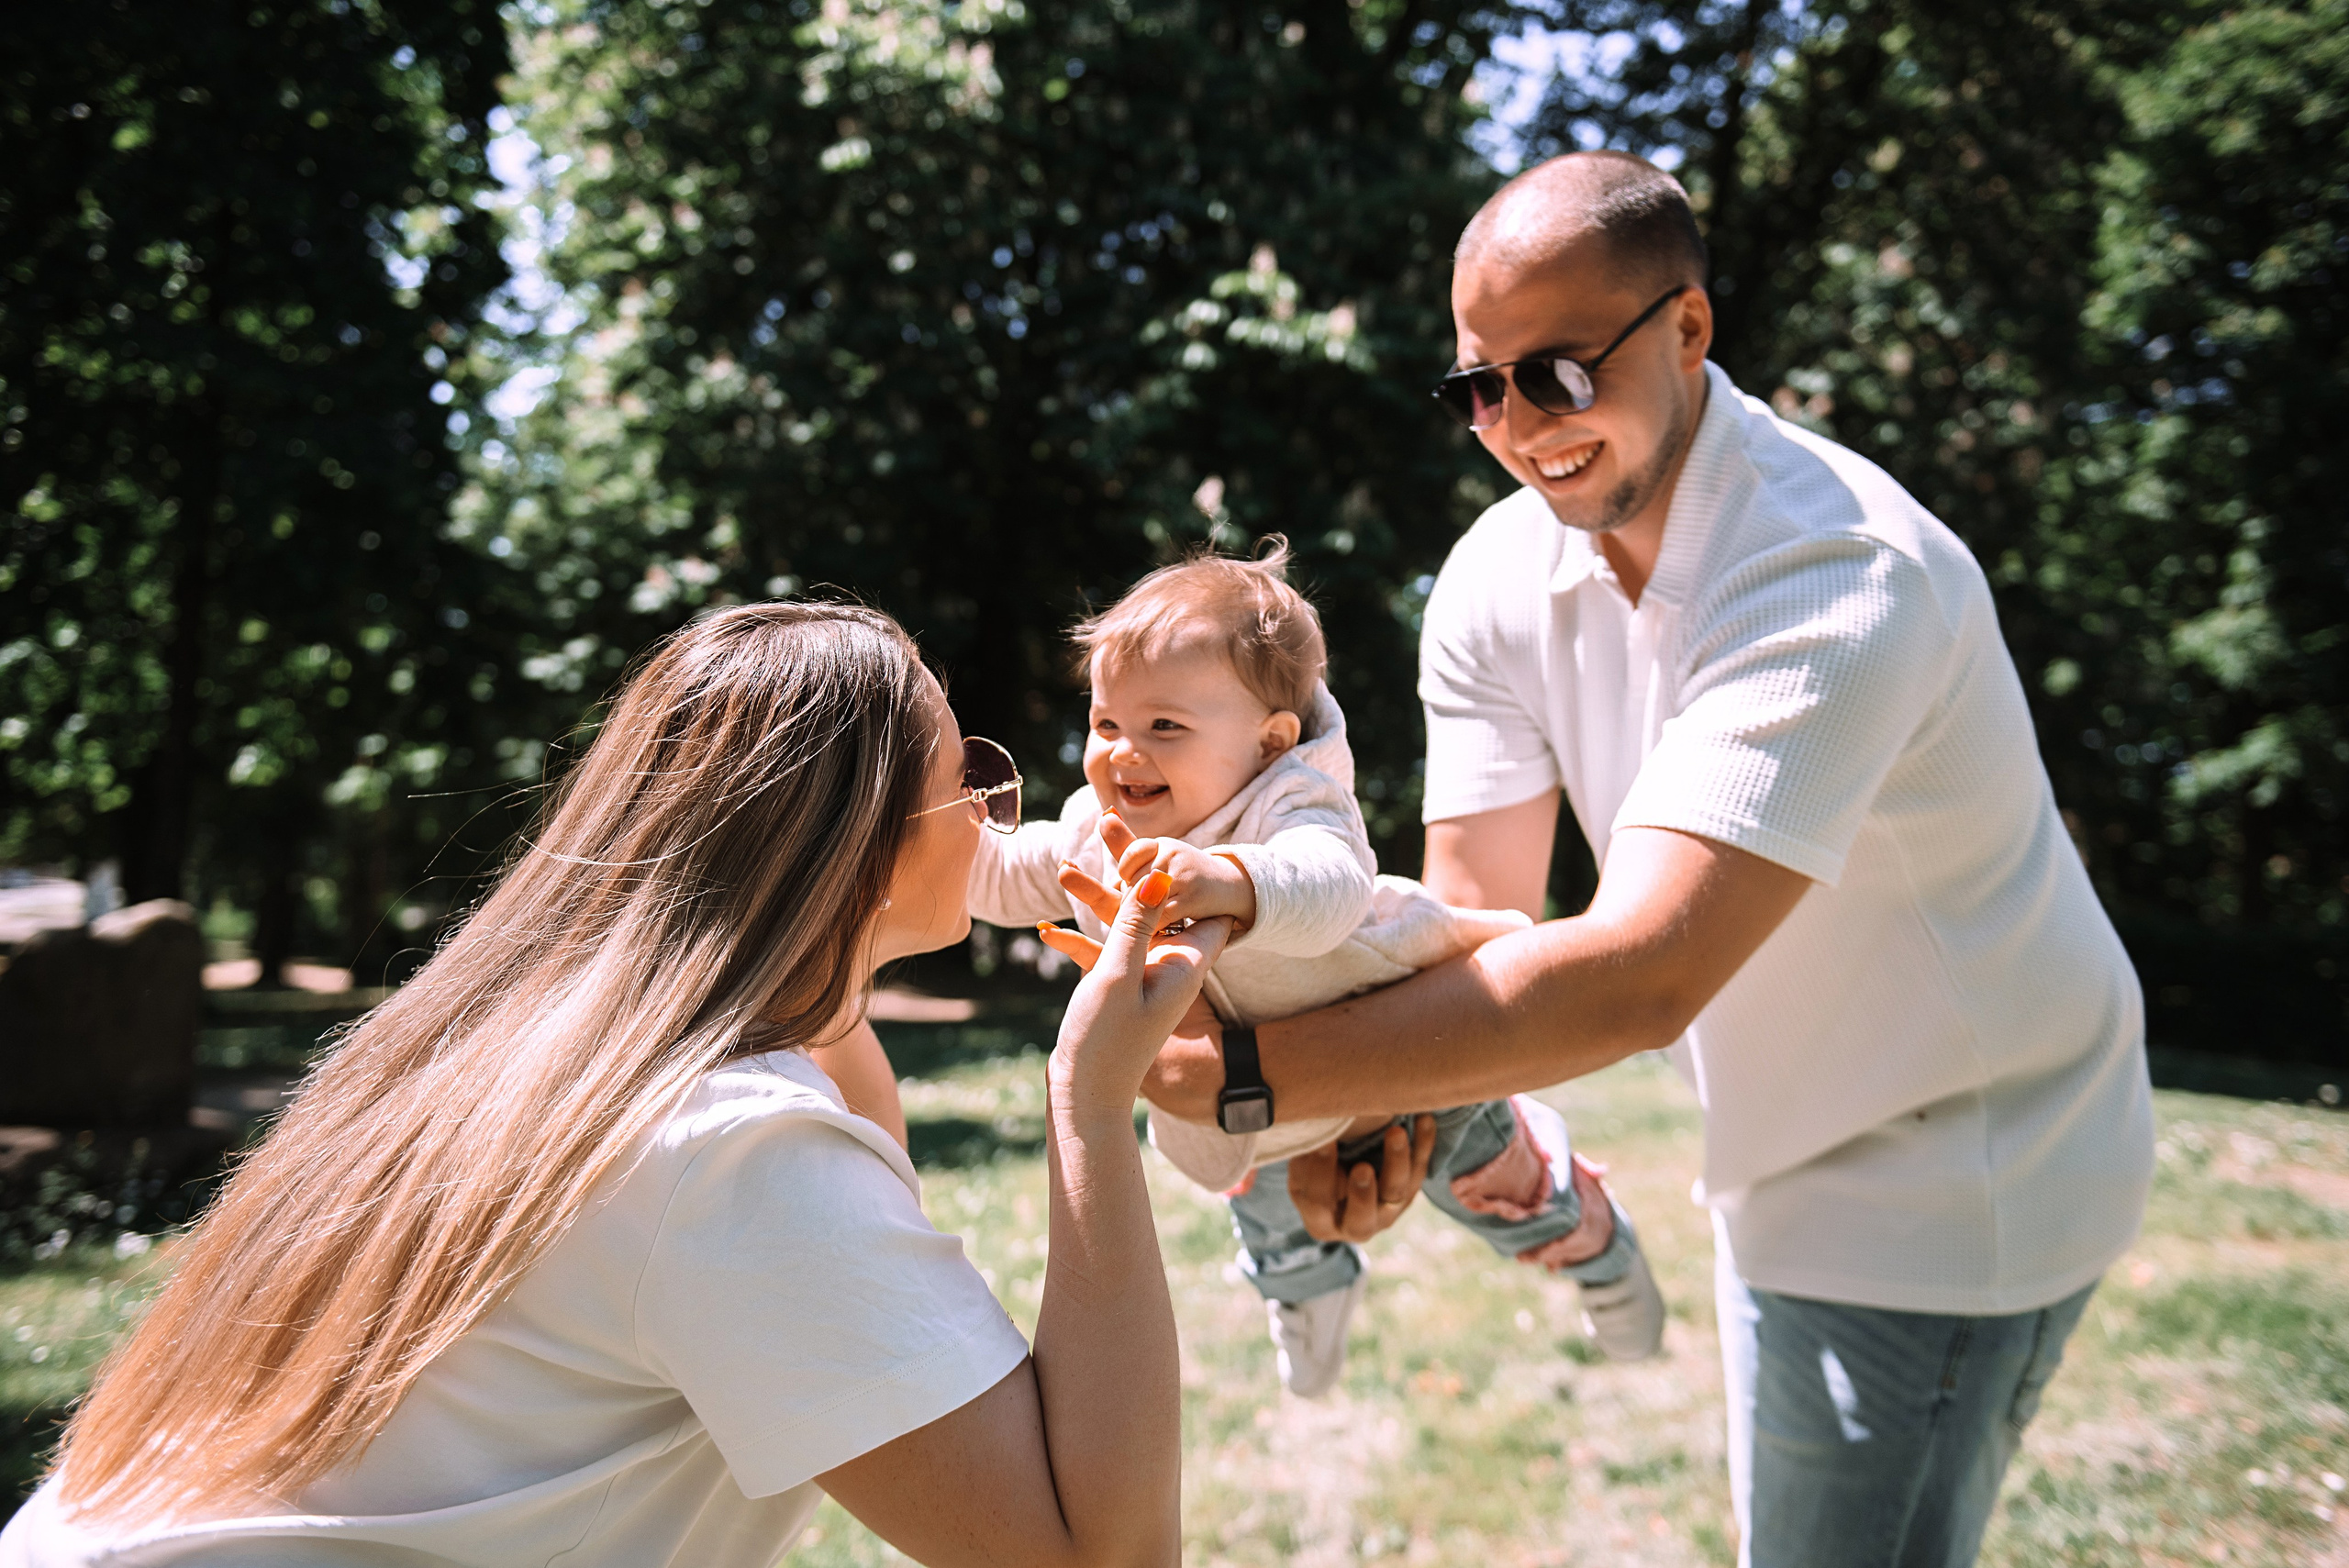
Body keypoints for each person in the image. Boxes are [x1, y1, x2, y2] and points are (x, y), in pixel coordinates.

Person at [1130, 151, 2157, 1568]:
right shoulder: (1496, 578)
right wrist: (1367, 1128)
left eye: (1558, 373)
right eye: (1479, 388)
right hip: (1779, 1140)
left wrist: (1255, 1082)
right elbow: (1473, 920)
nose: (1517, 426)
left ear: (1688, 328)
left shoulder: (1836, 569)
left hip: (1960, 1163)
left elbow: (1642, 974)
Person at [3, 602, 1224, 1568]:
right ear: (858, 846)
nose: (998, 816)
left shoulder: (527, 1050)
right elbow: (1100, 1555)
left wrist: (837, 962)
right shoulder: (734, 1152)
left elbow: (844, 1097)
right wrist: (1087, 1100)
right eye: (970, 778)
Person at [976, 546, 1664, 1399]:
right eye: (1107, 724)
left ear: (1270, 739)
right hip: (1260, 1108)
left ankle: (1593, 1242)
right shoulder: (1096, 831)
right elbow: (1004, 873)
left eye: (1165, 728)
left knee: (1498, 1186)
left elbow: (1331, 887)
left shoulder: (1292, 802)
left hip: (1409, 1049)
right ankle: (1308, 1296)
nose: (1123, 754)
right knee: (1273, 1228)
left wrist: (1232, 879)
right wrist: (917, 847)